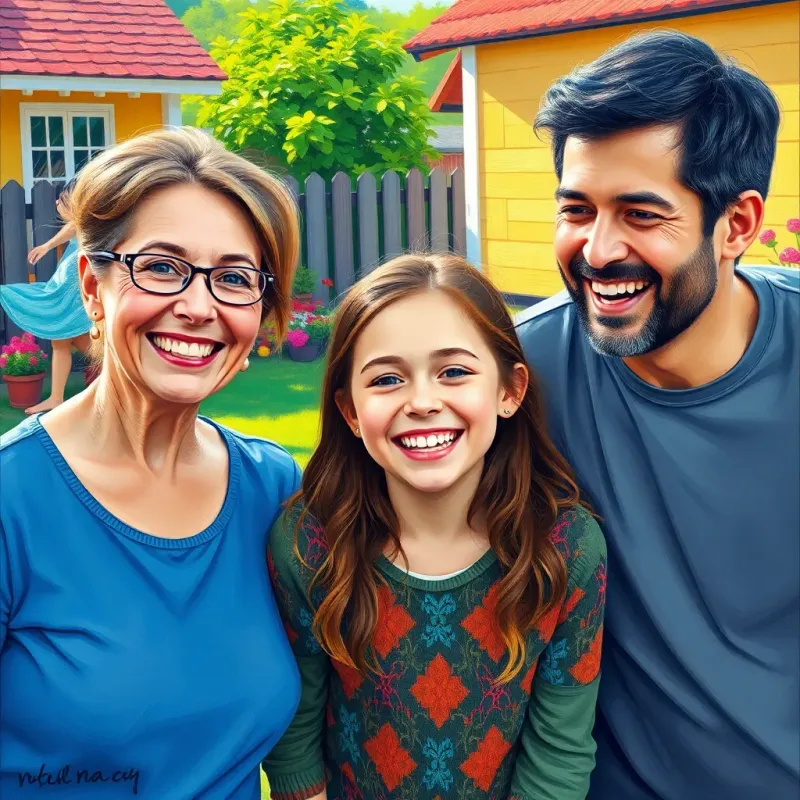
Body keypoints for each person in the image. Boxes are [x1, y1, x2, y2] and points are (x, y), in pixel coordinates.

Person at [515, 30, 800, 799]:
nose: (598, 250)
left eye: (642, 214)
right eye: (577, 210)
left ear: (737, 225)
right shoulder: (520, 376)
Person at [0, 127, 303, 799]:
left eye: (233, 279)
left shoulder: (275, 489)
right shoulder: (11, 502)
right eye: (162, 267)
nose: (198, 307)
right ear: (91, 285)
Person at [263, 254, 607, 799]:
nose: (422, 402)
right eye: (388, 379)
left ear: (509, 391)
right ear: (350, 411)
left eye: (454, 371)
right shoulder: (309, 543)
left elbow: (560, 747)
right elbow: (296, 734)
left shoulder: (565, 548)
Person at [0, 178, 91, 414]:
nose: (57, 203)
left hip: (70, 301)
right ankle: (56, 398)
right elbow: (73, 227)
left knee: (93, 350)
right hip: (65, 299)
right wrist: (47, 246)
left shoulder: (92, 230)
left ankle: (123, 384)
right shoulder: (82, 225)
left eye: (62, 200)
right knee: (61, 343)